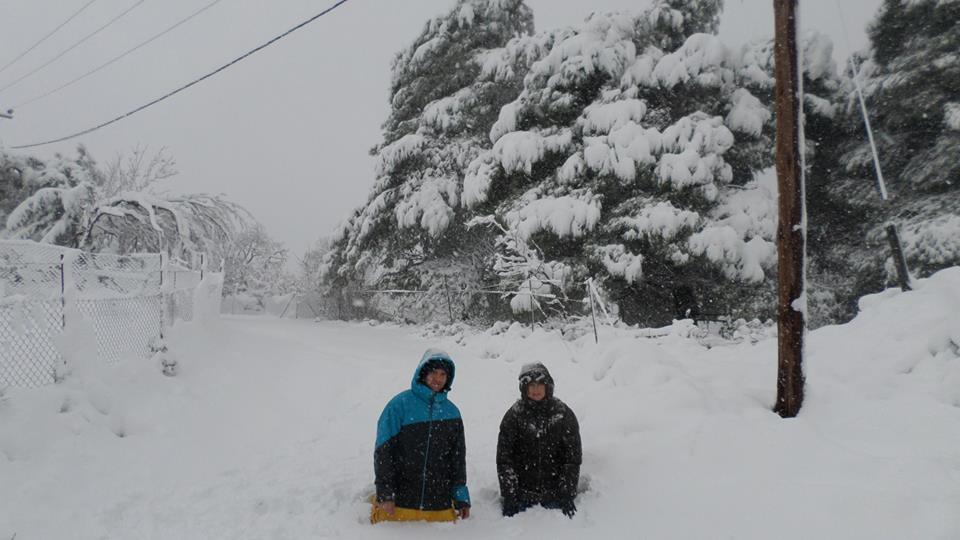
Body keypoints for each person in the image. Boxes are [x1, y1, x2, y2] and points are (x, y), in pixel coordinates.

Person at [371, 348, 471, 523]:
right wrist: (385, 493)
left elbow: (457, 459)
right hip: (400, 501)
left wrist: (461, 497)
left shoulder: (452, 413)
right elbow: (384, 452)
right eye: (433, 372)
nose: (437, 379)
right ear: (423, 372)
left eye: (443, 374)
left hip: (438, 504)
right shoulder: (399, 405)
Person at [497, 362, 582, 518]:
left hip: (554, 496)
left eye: (539, 385)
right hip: (522, 497)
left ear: (547, 386)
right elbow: (504, 459)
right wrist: (510, 495)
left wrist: (567, 493)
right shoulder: (514, 416)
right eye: (531, 385)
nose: (535, 390)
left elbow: (572, 457)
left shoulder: (563, 414)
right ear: (524, 388)